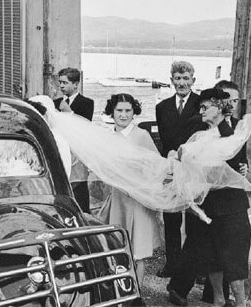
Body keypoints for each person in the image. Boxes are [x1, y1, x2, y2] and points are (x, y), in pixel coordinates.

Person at [101, 93, 161, 294]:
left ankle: (137, 294)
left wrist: (140, 183)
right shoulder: (108, 137)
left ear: (134, 112)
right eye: (119, 110)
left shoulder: (141, 136)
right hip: (117, 199)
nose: (124, 115)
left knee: (138, 253)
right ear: (112, 111)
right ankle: (121, 293)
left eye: (128, 110)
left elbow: (156, 166)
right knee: (117, 249)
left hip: (137, 200)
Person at [199, 88, 251, 307]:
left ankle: (240, 303)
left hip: (232, 208)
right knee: (213, 260)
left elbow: (234, 155)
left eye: (205, 107)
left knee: (235, 263)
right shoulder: (200, 132)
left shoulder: (232, 130)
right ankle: (219, 300)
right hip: (209, 207)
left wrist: (243, 168)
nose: (201, 111)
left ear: (219, 107)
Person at [155, 60, 202, 278]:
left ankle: (194, 268)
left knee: (194, 219)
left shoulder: (202, 104)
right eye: (178, 78)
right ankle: (172, 264)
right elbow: (164, 140)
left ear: (193, 80)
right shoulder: (161, 107)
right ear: (171, 80)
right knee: (171, 218)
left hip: (193, 170)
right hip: (171, 168)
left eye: (186, 78)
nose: (182, 82)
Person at [54, 67, 94, 213]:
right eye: (60, 82)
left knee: (79, 191)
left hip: (77, 155)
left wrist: (69, 113)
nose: (61, 86)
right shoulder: (55, 102)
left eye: (65, 82)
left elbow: (85, 127)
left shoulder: (87, 103)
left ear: (76, 84)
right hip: (62, 152)